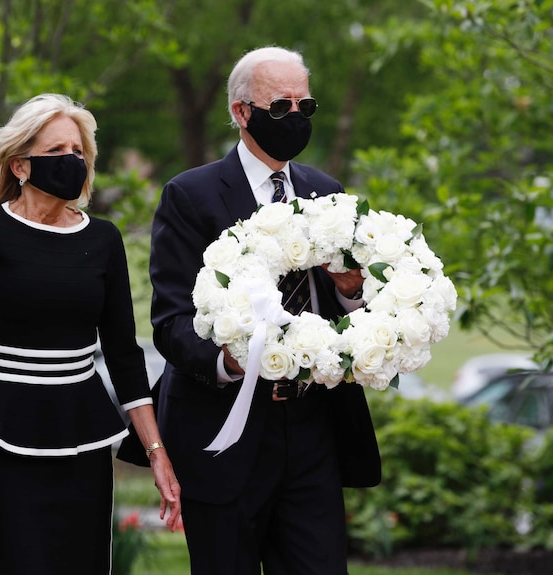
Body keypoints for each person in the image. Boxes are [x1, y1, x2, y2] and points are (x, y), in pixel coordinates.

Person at [0, 93, 181, 575]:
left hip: (81, 431)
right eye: (58, 152)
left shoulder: (103, 239)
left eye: (79, 152)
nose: (73, 162)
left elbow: (124, 357)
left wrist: (157, 453)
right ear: (20, 165)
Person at [146, 46, 380, 574]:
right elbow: (171, 324)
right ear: (240, 112)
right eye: (280, 108)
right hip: (224, 429)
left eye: (306, 106)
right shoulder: (190, 196)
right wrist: (238, 361)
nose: (295, 118)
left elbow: (350, 312)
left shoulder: (328, 193)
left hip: (312, 426)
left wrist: (349, 291)